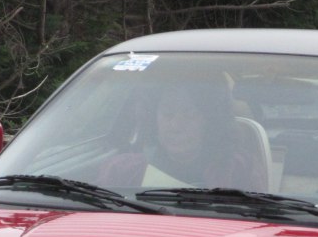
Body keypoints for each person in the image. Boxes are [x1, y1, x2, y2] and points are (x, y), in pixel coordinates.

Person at [99, 78, 263, 189]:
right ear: (154, 120)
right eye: (167, 114)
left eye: (189, 114)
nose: (176, 125)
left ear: (209, 120)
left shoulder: (238, 169)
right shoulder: (121, 171)